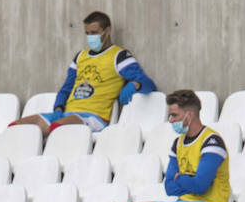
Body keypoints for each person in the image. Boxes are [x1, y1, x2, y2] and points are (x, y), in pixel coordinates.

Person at [13, 11, 155, 138]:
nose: (90, 37)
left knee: (58, 128)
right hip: (66, 114)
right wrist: (58, 108)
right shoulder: (81, 56)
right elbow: (66, 88)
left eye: (94, 33)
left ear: (107, 31)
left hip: (94, 117)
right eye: (87, 33)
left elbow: (148, 83)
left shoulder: (119, 56)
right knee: (16, 129)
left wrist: (135, 84)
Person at [131, 90, 231, 202]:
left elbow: (200, 186)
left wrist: (180, 178)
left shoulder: (212, 141)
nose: (170, 120)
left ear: (189, 115)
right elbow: (169, 187)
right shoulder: (178, 143)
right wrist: (187, 179)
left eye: (174, 115)